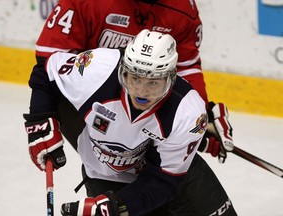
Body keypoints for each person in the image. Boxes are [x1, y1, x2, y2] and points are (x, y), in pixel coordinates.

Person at [24, 29, 237, 216]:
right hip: (106, 176)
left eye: (153, 82)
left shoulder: (187, 111)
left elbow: (164, 182)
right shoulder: (98, 68)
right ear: (123, 70)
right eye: (134, 78)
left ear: (171, 78)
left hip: (166, 174)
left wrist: (116, 207)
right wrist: (40, 122)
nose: (141, 92)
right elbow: (46, 71)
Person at [32, 0, 234, 163]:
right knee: (118, 180)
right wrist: (41, 118)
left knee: (170, 184)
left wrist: (200, 119)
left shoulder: (182, 8)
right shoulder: (85, 2)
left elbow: (185, 68)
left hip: (146, 103)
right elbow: (49, 63)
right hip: (89, 105)